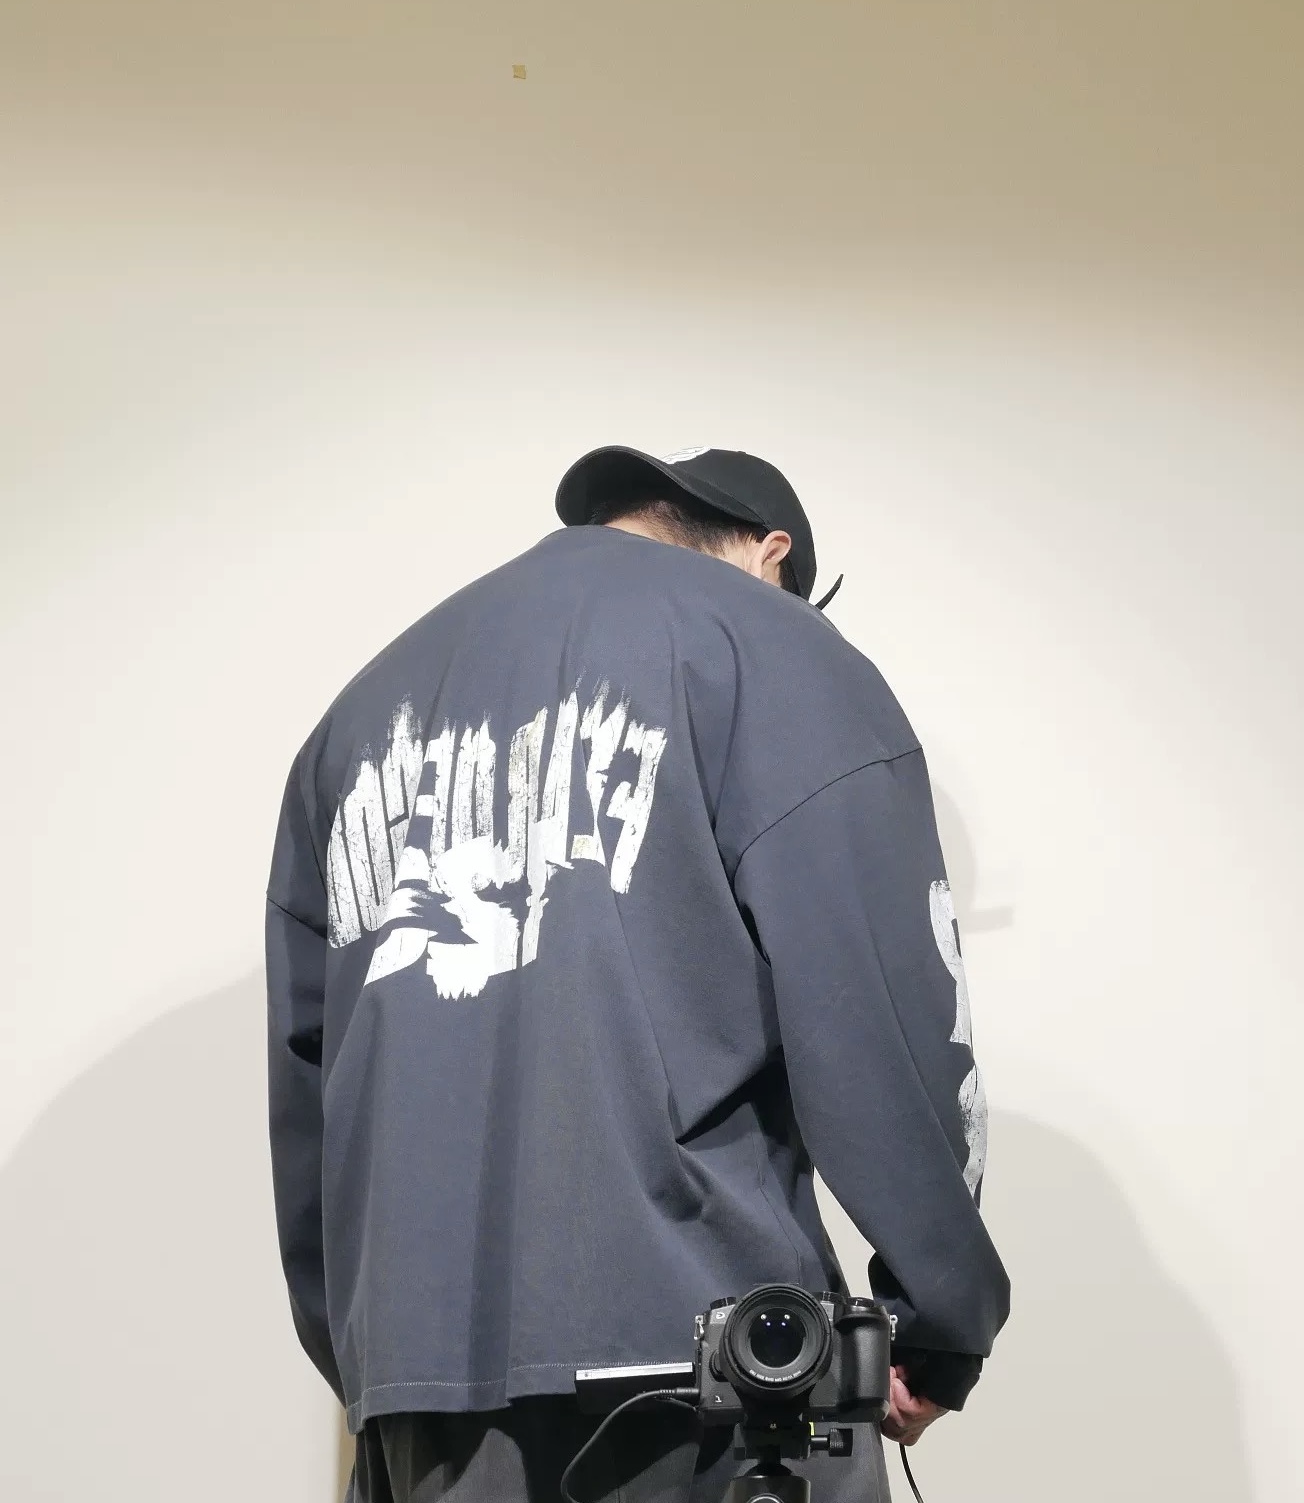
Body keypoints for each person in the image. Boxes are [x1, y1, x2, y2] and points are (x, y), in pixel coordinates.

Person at [266, 445, 1010, 1503]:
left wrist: (374, 1359)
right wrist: (937, 1323)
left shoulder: (357, 715)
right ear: (770, 555)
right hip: (714, 1393)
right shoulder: (770, 645)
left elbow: (311, 1087)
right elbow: (879, 1006)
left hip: (420, 1400)